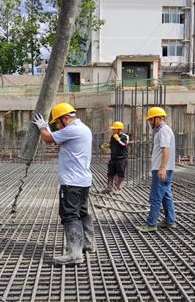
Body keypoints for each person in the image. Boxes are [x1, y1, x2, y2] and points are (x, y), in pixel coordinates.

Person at [32, 103, 95, 265]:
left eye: (58, 123)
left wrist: (42, 127)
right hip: (83, 180)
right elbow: (58, 140)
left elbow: (48, 139)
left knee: (69, 214)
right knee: (81, 212)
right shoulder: (83, 128)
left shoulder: (72, 129)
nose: (58, 127)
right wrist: (48, 128)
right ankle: (88, 243)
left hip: (72, 182)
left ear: (65, 119)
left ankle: (74, 254)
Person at [136, 107, 176, 232]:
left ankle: (151, 224)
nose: (149, 122)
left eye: (151, 120)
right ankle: (170, 220)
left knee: (156, 197)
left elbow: (166, 149)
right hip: (164, 168)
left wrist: (162, 168)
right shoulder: (163, 130)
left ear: (158, 118)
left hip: (162, 168)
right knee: (166, 196)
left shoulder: (163, 131)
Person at [100, 121, 129, 194]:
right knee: (110, 173)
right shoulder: (113, 136)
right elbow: (111, 145)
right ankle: (109, 187)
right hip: (113, 158)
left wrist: (118, 139)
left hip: (121, 159)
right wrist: (106, 146)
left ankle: (119, 189)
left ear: (119, 129)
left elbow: (124, 145)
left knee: (120, 173)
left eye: (114, 129)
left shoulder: (125, 136)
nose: (113, 130)